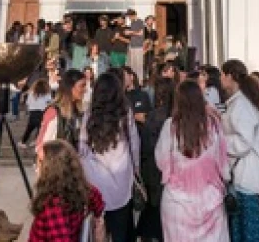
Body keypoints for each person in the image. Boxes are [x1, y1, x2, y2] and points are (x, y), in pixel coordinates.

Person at [156, 80, 229, 241]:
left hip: (177, 200)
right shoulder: (214, 126)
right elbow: (222, 161)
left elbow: (161, 160)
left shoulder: (171, 127)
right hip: (209, 198)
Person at [78, 73, 138, 242]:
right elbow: (134, 144)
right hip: (121, 183)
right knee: (120, 232)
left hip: (94, 182)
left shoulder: (90, 114)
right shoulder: (125, 113)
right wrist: (136, 171)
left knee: (96, 231)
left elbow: (82, 148)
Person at [220, 60, 259, 242]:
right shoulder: (237, 102)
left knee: (250, 231)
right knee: (240, 230)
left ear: (230, 76)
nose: (220, 79)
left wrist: (220, 141)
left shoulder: (242, 104)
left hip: (247, 176)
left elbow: (243, 141)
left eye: (222, 75)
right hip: (242, 176)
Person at [28, 140, 105, 242]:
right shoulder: (81, 188)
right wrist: (98, 220)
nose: (36, 167)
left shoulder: (53, 207)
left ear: (51, 168)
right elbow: (98, 202)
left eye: (39, 161)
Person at [136, 77, 175, 242]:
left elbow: (146, 146)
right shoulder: (176, 115)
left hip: (153, 168)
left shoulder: (153, 117)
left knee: (153, 208)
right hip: (172, 170)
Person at [36, 69, 87, 167]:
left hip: (73, 168)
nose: (85, 90)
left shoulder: (79, 112)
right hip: (56, 169)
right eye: (82, 86)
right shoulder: (54, 111)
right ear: (70, 87)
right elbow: (41, 145)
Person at [20, 79, 53, 148]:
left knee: (29, 128)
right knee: (40, 128)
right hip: (42, 112)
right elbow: (49, 102)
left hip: (32, 112)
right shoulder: (47, 93)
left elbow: (27, 103)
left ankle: (23, 142)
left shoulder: (31, 93)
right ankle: (36, 140)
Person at [126, 10, 146, 80]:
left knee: (139, 66)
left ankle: (140, 81)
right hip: (132, 46)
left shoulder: (140, 22)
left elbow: (141, 33)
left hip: (138, 46)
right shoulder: (132, 23)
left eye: (129, 17)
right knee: (133, 66)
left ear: (133, 15)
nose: (129, 18)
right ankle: (134, 80)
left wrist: (130, 32)